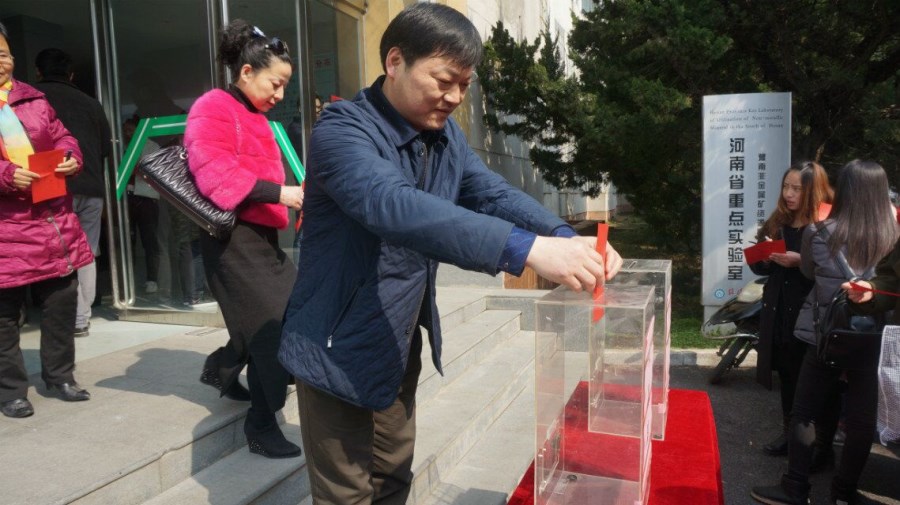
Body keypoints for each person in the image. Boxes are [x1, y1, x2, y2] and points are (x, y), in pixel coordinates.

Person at [278, 4, 623, 504]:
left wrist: (562, 235)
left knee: (394, 475)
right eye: (444, 81)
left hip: (395, 337)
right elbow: (395, 206)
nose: (456, 97)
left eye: (464, 84)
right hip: (335, 343)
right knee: (346, 493)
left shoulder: (444, 136)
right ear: (395, 61)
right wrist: (526, 249)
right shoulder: (342, 131)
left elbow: (490, 193)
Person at [184, 19, 304, 458]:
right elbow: (213, 171)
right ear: (247, 72)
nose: (280, 95)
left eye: (285, 85)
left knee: (288, 314)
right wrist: (281, 193)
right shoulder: (213, 106)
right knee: (272, 332)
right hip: (231, 241)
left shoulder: (255, 115)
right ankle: (261, 425)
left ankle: (221, 366)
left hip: (261, 240)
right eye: (276, 83)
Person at [751, 160, 899, 505]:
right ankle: (844, 494)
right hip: (873, 337)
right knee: (861, 421)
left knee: (804, 411)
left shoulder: (818, 232)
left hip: (825, 331)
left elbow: (809, 271)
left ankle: (795, 487)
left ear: (843, 190)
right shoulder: (894, 235)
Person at [0, 21, 94, 418]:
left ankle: (60, 376)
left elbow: (62, 137)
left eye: (3, 54)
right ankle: (11, 391)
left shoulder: (34, 98)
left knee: (61, 301)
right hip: (6, 229)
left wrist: (71, 155)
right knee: (5, 316)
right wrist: (6, 174)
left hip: (51, 218)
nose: (0, 62)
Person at [749, 161, 832, 456]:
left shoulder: (825, 223)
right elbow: (758, 265)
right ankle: (789, 434)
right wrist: (764, 257)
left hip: (811, 313)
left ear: (813, 190)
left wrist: (801, 262)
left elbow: (832, 271)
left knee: (812, 380)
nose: (789, 194)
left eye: (797, 188)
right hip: (779, 309)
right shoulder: (779, 220)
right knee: (786, 372)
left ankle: (819, 446)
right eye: (786, 186)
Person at [34, 48, 113, 337]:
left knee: (53, 251)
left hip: (50, 185)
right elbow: (105, 148)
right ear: (71, 75)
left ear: (38, 72)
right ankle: (81, 318)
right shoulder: (92, 104)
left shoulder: (32, 99)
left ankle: (58, 316)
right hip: (90, 185)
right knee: (87, 252)